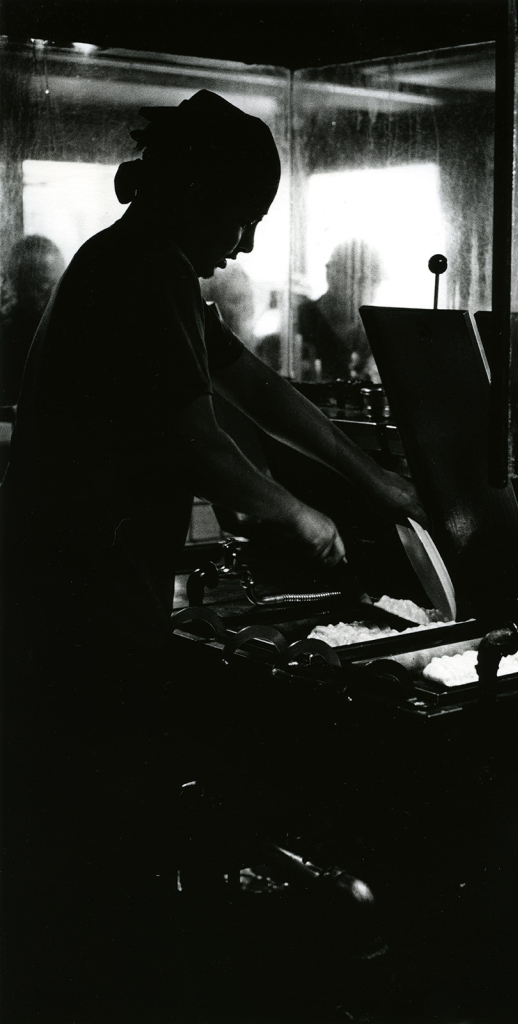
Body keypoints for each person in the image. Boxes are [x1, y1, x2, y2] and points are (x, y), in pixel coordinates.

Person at [0, 90, 423, 1022]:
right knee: (101, 811)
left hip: (106, 580)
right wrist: (295, 512)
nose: (245, 246)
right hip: (80, 589)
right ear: (192, 191)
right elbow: (190, 434)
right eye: (243, 219)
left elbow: (260, 389)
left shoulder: (153, 267)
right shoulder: (131, 271)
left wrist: (376, 478)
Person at [297, 239, 383, 381]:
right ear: (331, 275)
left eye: (374, 281)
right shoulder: (300, 319)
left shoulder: (369, 333)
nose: (369, 289)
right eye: (361, 279)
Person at [0, 234, 65, 406]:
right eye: (44, 287)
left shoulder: (69, 331)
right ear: (19, 286)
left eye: (59, 285)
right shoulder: (8, 340)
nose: (55, 295)